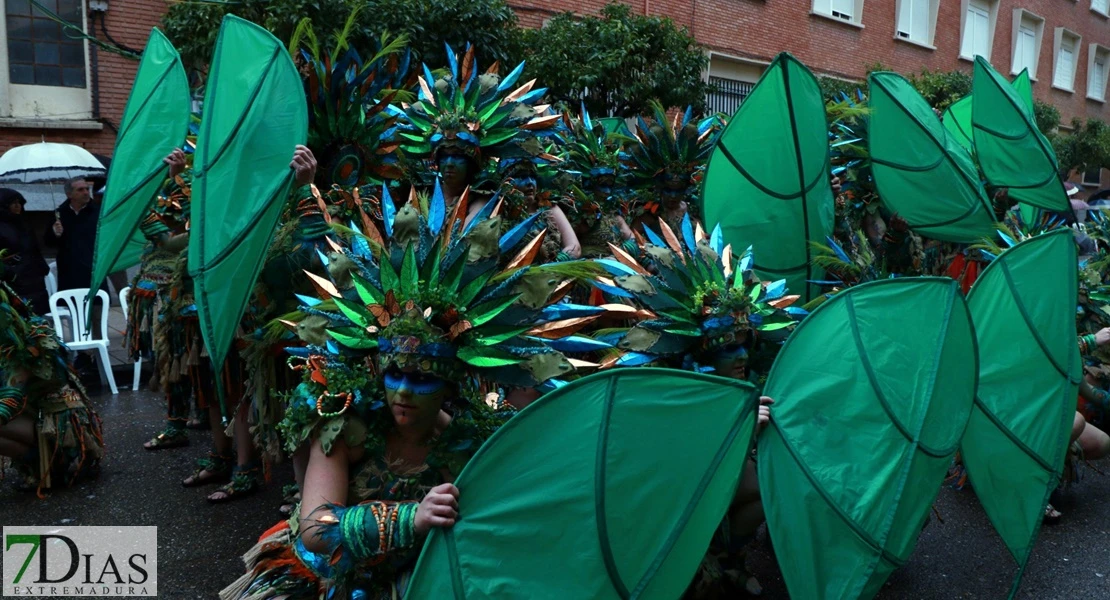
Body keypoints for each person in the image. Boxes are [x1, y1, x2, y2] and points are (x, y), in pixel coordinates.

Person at [221, 173, 590, 600]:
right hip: (340, 583)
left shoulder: (461, 439)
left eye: (422, 378)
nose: (402, 391)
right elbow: (315, 529)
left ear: (449, 379)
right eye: (394, 374)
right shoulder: (346, 423)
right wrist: (409, 518)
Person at [595, 213, 799, 596]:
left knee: (769, 482)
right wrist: (738, 430)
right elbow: (675, 468)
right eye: (728, 347)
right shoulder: (670, 390)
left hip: (715, 480)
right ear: (698, 351)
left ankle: (728, 559)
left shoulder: (743, 383)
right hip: (671, 498)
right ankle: (694, 563)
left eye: (745, 343)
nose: (741, 356)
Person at [0, 276, 103, 496]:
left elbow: (12, 395)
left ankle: (49, 467)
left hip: (58, 426)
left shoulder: (29, 342)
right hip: (34, 414)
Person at [43, 177, 98, 292]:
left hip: (92, 269)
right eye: (80, 190)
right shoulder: (59, 214)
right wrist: (55, 233)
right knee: (70, 304)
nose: (86, 192)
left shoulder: (97, 213)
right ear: (69, 194)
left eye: (87, 189)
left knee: (95, 306)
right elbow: (48, 242)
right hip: (69, 271)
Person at [0, 189, 50, 314]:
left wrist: (42, 267)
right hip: (13, 280)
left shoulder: (24, 224)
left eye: (20, 203)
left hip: (34, 277)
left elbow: (34, 249)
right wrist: (10, 272)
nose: (18, 206)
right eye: (13, 203)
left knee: (38, 315)